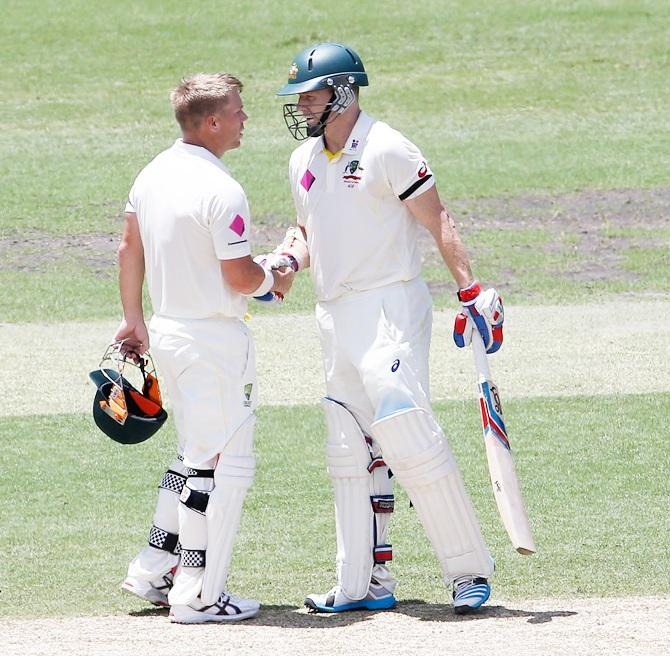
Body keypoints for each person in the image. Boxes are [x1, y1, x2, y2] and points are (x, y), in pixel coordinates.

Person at [266, 43, 504, 614]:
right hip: (333, 313)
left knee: (405, 434)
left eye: (312, 92)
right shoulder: (302, 161)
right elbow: (307, 229)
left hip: (390, 307)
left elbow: (437, 217)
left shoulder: (387, 147)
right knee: (349, 447)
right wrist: (286, 261)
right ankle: (363, 582)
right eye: (299, 95)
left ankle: (468, 571)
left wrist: (471, 291)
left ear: (343, 91)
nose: (301, 103)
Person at [114, 72, 294, 624]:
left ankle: (151, 569)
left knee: (193, 454)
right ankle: (196, 593)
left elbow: (127, 248)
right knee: (217, 464)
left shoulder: (151, 174)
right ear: (212, 122)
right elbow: (241, 277)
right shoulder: (222, 189)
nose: (245, 120)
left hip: (168, 331)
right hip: (214, 340)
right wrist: (281, 270)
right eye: (238, 111)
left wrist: (133, 320)